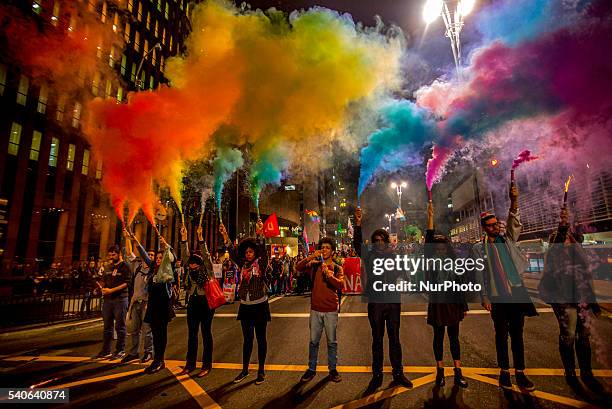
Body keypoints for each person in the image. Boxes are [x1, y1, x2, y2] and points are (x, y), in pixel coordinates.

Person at [472, 180, 537, 391]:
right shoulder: (479, 248)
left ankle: (520, 373)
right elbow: (479, 273)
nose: (494, 228)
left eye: (495, 224)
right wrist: (484, 296)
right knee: (501, 335)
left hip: (516, 294)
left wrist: (515, 200)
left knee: (517, 334)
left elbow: (514, 221)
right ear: (484, 228)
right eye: (489, 225)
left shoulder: (506, 239)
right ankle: (504, 373)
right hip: (497, 297)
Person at [539, 207, 604, 393]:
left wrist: (594, 303)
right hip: (563, 300)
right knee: (568, 336)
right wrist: (563, 224)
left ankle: (586, 371)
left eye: (569, 238)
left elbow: (587, 279)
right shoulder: (555, 253)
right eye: (564, 238)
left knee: (583, 338)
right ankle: (570, 372)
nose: (566, 240)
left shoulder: (578, 255)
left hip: (582, 299)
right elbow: (559, 238)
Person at [353, 207, 413, 390]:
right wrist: (358, 224)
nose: (379, 242)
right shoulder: (369, 255)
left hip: (393, 301)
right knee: (377, 339)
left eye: (382, 240)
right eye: (376, 240)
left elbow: (402, 272)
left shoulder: (394, 256)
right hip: (376, 303)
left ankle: (398, 373)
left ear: (386, 241)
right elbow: (357, 245)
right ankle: (377, 374)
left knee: (395, 339)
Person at [220, 219, 269, 385]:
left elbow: (263, 251)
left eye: (251, 252)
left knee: (261, 339)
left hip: (260, 305)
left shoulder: (261, 264)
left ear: (255, 253)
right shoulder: (242, 265)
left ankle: (261, 370)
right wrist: (226, 237)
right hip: (245, 307)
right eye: (246, 252)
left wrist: (260, 234)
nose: (248, 254)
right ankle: (245, 370)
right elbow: (233, 253)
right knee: (247, 340)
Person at [424, 202, 468, 388]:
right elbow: (428, 241)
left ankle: (458, 371)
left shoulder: (454, 263)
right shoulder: (430, 261)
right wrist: (431, 218)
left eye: (443, 247)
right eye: (437, 247)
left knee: (454, 338)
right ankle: (440, 371)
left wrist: (464, 305)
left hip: (453, 304)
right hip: (437, 304)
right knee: (438, 338)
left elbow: (461, 285)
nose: (440, 249)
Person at [295, 237, 344, 383]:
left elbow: (340, 285)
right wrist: (311, 256)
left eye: (328, 247)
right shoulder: (315, 265)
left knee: (331, 342)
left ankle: (333, 369)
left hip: (330, 310)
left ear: (333, 251)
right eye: (322, 247)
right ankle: (311, 369)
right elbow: (298, 267)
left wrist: (329, 276)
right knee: (313, 341)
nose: (324, 250)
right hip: (315, 309)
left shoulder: (337, 267)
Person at [130, 231, 176, 374]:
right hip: (153, 306)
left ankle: (159, 360)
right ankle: (157, 360)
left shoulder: (168, 269)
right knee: (155, 333)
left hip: (162, 306)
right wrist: (136, 240)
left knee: (161, 334)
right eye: (157, 257)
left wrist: (166, 245)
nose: (158, 259)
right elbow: (143, 254)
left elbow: (172, 257)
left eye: (161, 257)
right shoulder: (152, 269)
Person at [178, 224, 216, 378]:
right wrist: (184, 239)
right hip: (193, 302)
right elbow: (184, 255)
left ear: (200, 264)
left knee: (206, 333)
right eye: (191, 262)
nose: (191, 264)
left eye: (194, 262)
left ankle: (206, 365)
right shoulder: (189, 270)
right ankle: (190, 364)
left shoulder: (207, 270)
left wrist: (201, 239)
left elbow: (206, 256)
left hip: (206, 303)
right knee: (192, 334)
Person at [121, 231, 154, 364]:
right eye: (149, 254)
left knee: (147, 330)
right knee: (134, 330)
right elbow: (129, 253)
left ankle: (148, 352)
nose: (150, 257)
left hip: (147, 303)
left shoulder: (153, 270)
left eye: (152, 255)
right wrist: (127, 238)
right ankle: (133, 353)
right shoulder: (137, 266)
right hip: (135, 303)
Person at [94, 245, 131, 360]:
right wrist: (99, 288)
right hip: (108, 300)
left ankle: (120, 350)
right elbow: (104, 281)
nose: (111, 257)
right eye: (110, 255)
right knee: (107, 326)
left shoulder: (125, 266)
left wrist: (111, 290)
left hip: (120, 299)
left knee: (120, 326)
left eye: (113, 255)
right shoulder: (108, 267)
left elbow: (127, 283)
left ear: (119, 254)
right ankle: (106, 350)